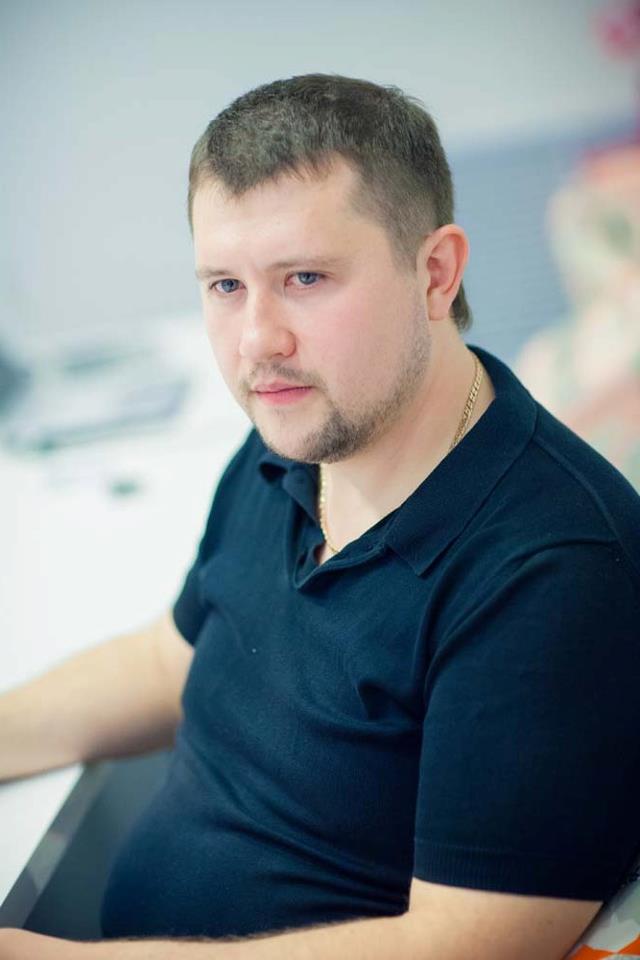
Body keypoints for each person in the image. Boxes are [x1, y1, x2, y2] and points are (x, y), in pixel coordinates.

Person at [1, 73, 639, 960]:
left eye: (305, 278)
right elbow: (173, 658)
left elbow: (471, 945)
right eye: (225, 285)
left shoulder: (553, 570)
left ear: (435, 273)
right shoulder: (299, 436)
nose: (257, 340)